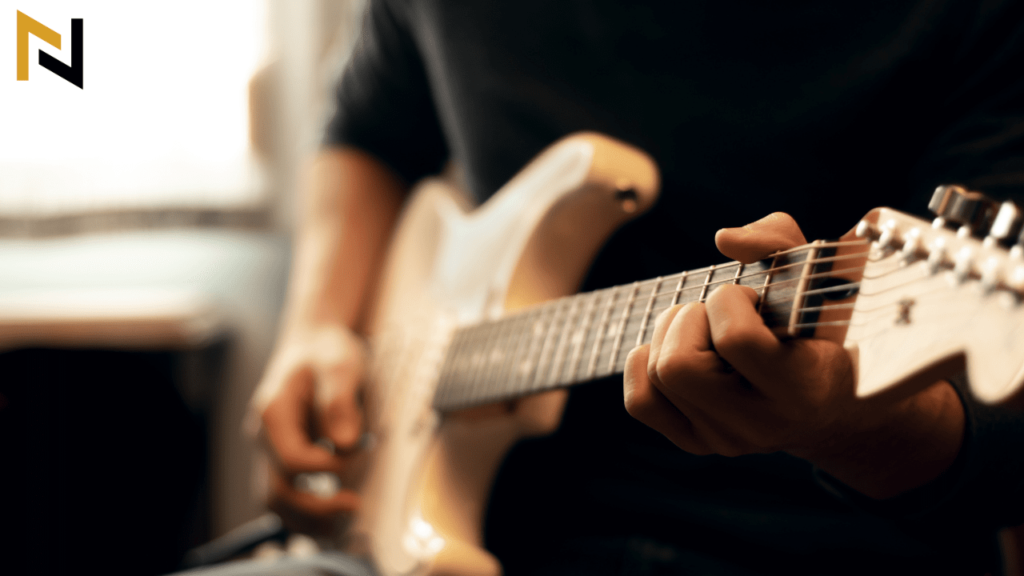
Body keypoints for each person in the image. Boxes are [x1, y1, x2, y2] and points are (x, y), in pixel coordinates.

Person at [252, 1, 1024, 574]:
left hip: (815, 548)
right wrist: (315, 328)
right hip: (462, 528)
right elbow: (367, 128)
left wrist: (836, 423)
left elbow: (1003, 446)